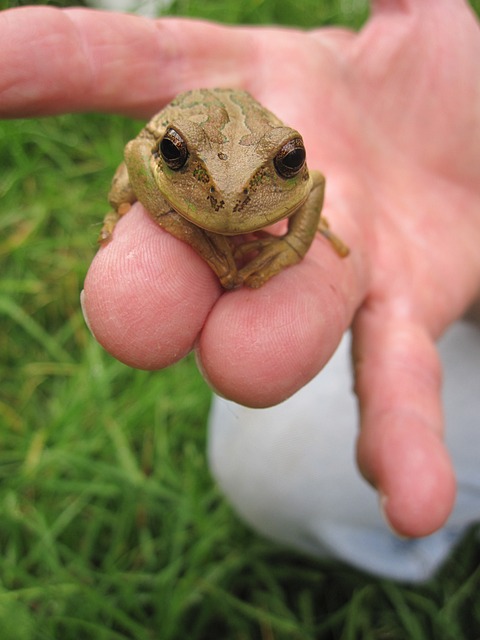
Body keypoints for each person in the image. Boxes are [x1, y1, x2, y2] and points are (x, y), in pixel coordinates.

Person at [3, 0, 480, 580]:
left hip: (245, 160)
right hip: (198, 154)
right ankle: (195, 170)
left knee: (280, 450)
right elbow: (138, 152)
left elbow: (314, 184)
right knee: (266, 455)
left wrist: (290, 247)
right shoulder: (164, 154)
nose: (229, 200)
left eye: (289, 162)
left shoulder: (296, 182)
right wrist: (175, 215)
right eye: (175, 156)